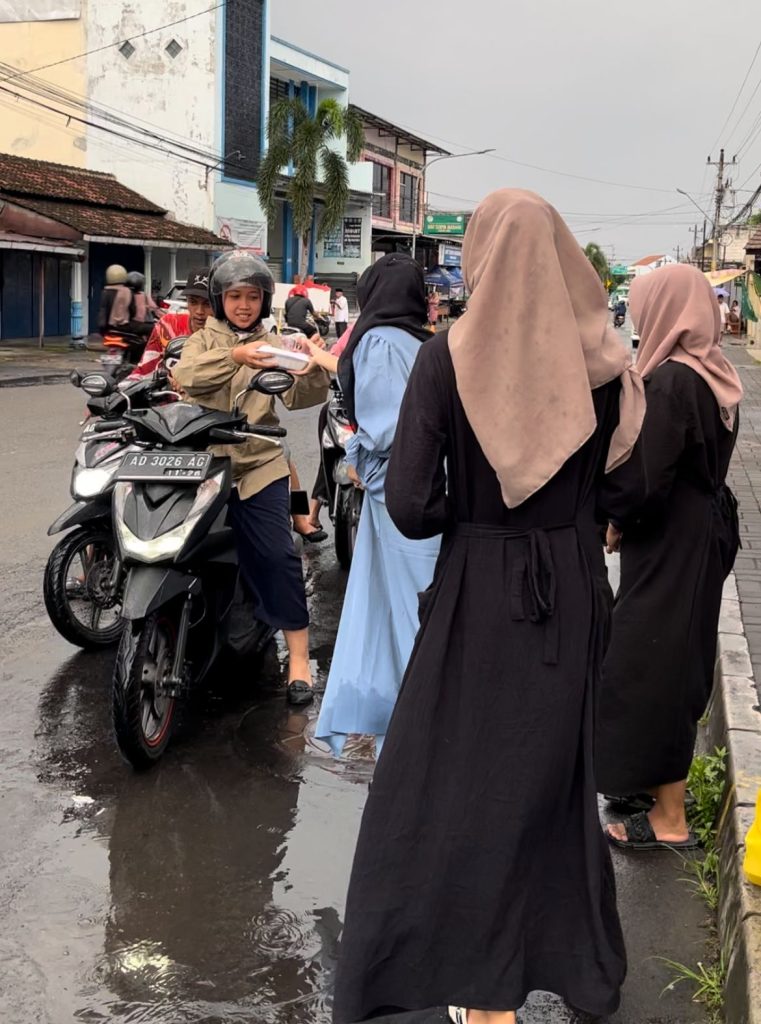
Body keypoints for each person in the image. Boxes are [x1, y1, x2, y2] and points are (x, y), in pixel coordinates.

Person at [332, 190, 647, 1024]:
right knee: (551, 782)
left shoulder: (446, 356)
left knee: (459, 781)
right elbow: (628, 488)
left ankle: (476, 988)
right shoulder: (607, 363)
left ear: (477, 257)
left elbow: (405, 503)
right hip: (573, 585)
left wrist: (468, 519)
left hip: (477, 588)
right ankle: (565, 964)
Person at [597, 263, 742, 850]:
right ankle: (646, 787)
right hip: (699, 532)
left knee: (650, 663)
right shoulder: (716, 371)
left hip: (671, 538)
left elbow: (645, 480)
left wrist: (613, 518)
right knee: (670, 656)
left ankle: (670, 820)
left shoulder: (673, 382)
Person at [173, 251, 330, 706]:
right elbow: (187, 376)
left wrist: (311, 361)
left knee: (279, 557)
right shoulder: (203, 340)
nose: (244, 304)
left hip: (258, 465)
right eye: (236, 296)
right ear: (221, 300)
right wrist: (238, 355)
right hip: (201, 465)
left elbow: (301, 397)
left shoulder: (277, 340)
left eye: (254, 296)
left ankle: (298, 659)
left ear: (265, 302)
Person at [315, 254, 441, 757]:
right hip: (432, 490)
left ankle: (414, 725)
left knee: (400, 613)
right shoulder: (421, 340)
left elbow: (386, 429)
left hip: (398, 495)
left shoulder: (379, 342)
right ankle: (416, 721)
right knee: (413, 607)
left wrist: (356, 458)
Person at [126, 267, 212, 380]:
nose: (199, 311)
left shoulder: (227, 335)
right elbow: (145, 370)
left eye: (207, 304)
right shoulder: (168, 325)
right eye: (193, 302)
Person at [96, 264, 133, 335]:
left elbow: (102, 309)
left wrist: (101, 325)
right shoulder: (127, 291)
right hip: (124, 325)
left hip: (107, 327)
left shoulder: (105, 292)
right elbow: (132, 309)